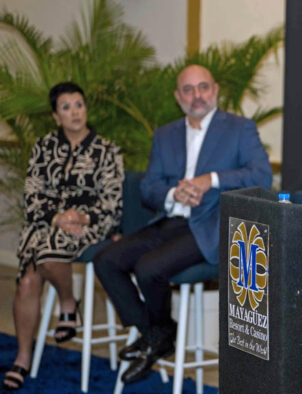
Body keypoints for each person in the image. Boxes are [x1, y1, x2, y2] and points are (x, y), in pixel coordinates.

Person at [94, 64, 272, 385]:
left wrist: (210, 180)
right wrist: (174, 191)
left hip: (211, 225)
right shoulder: (165, 135)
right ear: (178, 97)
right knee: (106, 260)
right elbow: (148, 188)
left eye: (203, 87)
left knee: (149, 269)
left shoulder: (239, 128)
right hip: (171, 219)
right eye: (188, 90)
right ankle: (157, 332)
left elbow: (261, 176)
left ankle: (155, 336)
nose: (197, 96)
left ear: (215, 90)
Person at [3, 82, 124, 391]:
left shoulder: (107, 151)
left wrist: (80, 217)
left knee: (44, 255)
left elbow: (112, 201)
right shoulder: (43, 147)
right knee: (28, 278)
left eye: (79, 105)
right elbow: (32, 195)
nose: (75, 112)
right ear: (56, 116)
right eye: (67, 107)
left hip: (88, 226)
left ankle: (68, 305)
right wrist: (57, 218)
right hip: (47, 222)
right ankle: (25, 355)